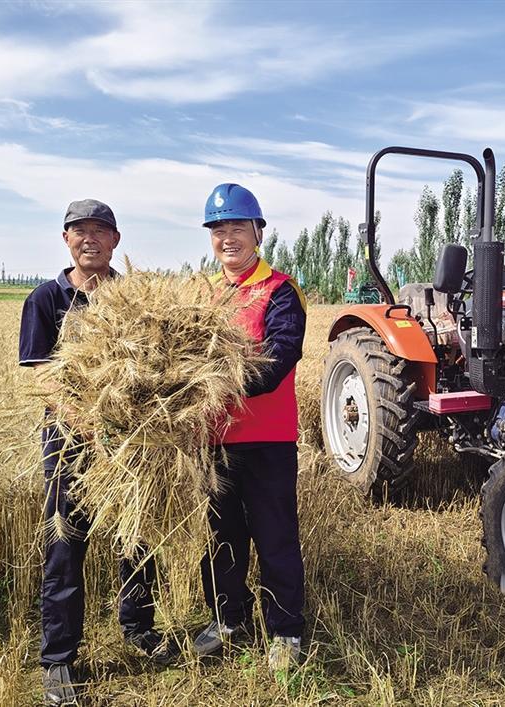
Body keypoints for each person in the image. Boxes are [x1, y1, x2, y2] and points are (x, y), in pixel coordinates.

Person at [19, 200, 173, 706]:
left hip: (132, 443)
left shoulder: (134, 299)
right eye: (80, 231)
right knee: (66, 545)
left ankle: (138, 629)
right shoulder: (46, 299)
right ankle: (58, 660)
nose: (90, 239)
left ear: (116, 241)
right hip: (69, 445)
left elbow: (157, 363)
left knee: (137, 535)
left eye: (100, 231)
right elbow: (39, 375)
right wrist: (86, 421)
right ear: (65, 239)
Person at [194, 183, 307, 672]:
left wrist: (214, 383)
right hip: (212, 443)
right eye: (218, 229)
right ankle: (228, 621)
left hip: (267, 441)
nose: (227, 237)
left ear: (258, 232)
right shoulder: (202, 297)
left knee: (275, 535)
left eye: (236, 226)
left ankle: (284, 632)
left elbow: (279, 359)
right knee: (222, 537)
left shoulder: (281, 291)